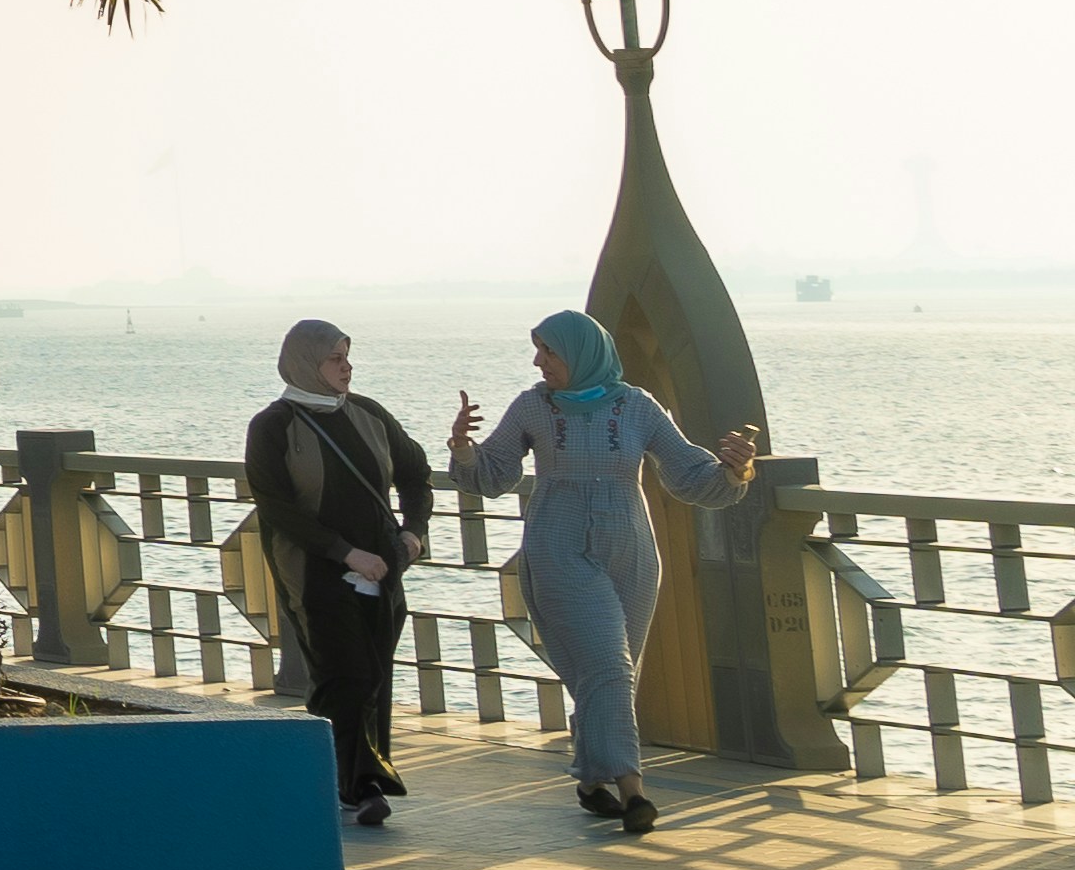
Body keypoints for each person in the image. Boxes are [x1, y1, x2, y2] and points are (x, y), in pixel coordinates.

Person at [449, 307, 759, 840]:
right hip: (558, 545)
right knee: (610, 667)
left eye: (548, 350)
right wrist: (462, 448)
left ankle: (592, 782)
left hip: (631, 550)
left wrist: (737, 470)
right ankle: (633, 792)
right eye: (538, 349)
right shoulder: (531, 407)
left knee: (611, 672)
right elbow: (494, 475)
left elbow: (688, 474)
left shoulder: (637, 406)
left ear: (581, 353)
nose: (538, 360)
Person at [246, 319, 428, 826]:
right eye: (333, 358)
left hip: (383, 568)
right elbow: (276, 506)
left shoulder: (370, 414)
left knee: (374, 671)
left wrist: (413, 531)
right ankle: (361, 784)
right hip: (314, 570)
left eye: (348, 356)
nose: (346, 367)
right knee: (344, 670)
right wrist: (345, 553)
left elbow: (416, 473)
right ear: (305, 362)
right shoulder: (273, 425)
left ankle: (351, 773)